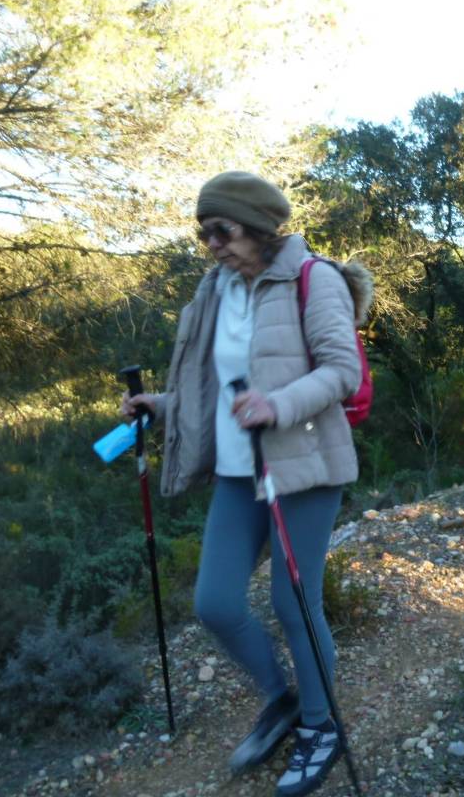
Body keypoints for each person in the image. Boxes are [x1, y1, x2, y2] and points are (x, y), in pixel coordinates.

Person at [120, 171, 372, 797]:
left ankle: (321, 726)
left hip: (304, 467)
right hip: (240, 472)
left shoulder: (314, 280)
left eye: (221, 231)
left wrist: (277, 406)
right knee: (215, 604)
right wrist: (164, 404)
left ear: (258, 228)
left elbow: (341, 371)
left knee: (295, 605)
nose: (211, 244)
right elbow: (214, 386)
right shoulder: (215, 290)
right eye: (204, 233)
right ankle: (282, 700)